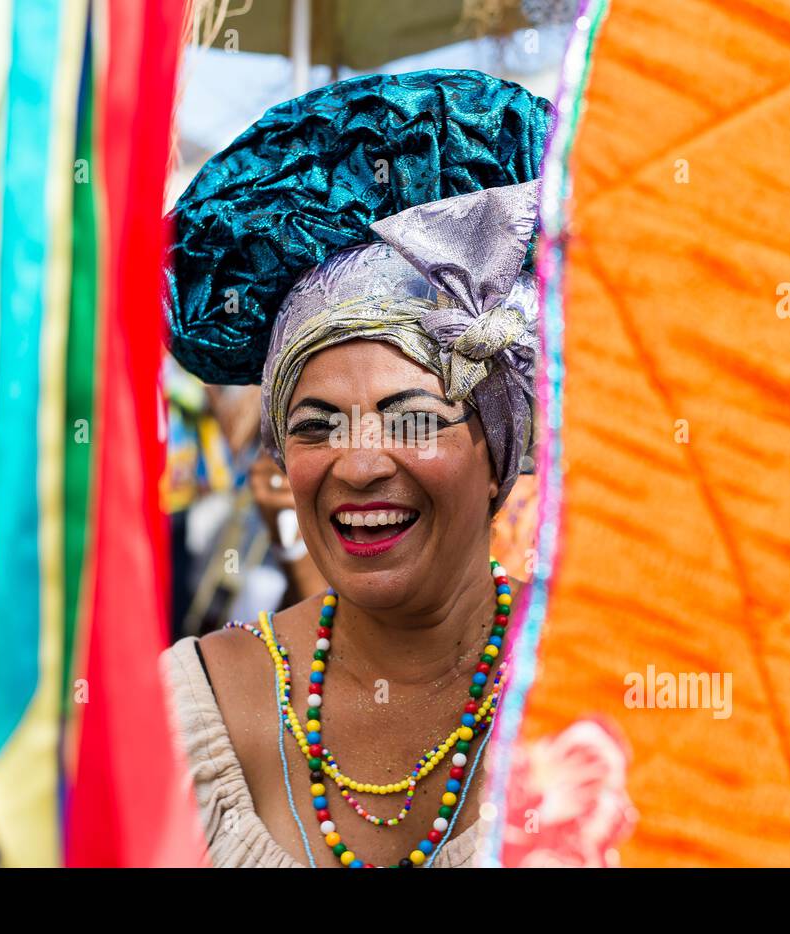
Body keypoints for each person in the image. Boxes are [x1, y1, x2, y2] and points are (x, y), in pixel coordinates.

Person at [160, 69, 550, 867]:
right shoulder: (191, 708)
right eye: (316, 426)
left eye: (412, 418)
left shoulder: (591, 686)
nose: (360, 463)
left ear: (497, 453)